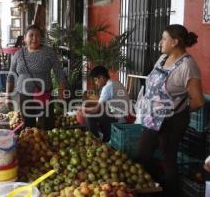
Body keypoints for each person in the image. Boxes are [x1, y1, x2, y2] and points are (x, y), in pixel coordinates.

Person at [135, 24, 205, 197]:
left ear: (175, 42)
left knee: (167, 158)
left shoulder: (187, 66)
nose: (160, 42)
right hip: (153, 117)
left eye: (164, 38)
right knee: (142, 154)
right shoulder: (162, 58)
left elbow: (199, 100)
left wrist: (177, 111)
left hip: (172, 120)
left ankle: (169, 192)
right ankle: (153, 187)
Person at [6, 25, 66, 130]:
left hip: (44, 94)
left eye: (38, 36)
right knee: (28, 127)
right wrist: (7, 96)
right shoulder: (18, 54)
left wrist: (61, 94)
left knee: (46, 126)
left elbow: (59, 73)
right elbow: (11, 75)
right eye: (31, 35)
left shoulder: (48, 52)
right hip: (24, 96)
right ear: (25, 38)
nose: (34, 38)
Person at [80, 65, 130, 142]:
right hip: (123, 115)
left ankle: (96, 140)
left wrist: (82, 109)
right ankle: (105, 136)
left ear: (102, 77)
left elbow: (96, 110)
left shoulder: (107, 87)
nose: (96, 83)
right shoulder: (114, 83)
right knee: (101, 111)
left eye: (96, 80)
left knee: (89, 116)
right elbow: (102, 103)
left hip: (120, 119)